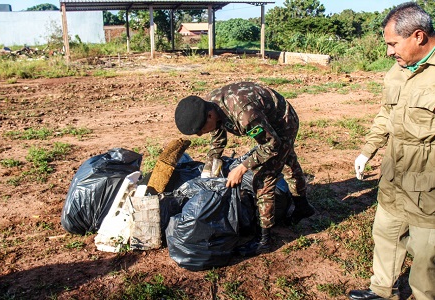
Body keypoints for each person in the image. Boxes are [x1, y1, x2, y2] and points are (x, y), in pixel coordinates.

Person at [349, 2, 435, 300]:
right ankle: (381, 290)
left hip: (428, 186)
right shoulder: (397, 71)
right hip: (394, 176)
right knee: (386, 235)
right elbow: (385, 114)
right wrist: (367, 150)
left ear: (419, 36)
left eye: (392, 44)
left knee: (426, 257)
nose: (389, 52)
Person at [174, 81, 315, 256]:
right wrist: (209, 168)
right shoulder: (211, 104)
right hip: (265, 120)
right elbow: (218, 137)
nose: (201, 134)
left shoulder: (245, 114)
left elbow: (272, 145)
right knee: (287, 161)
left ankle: (265, 240)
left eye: (201, 129)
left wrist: (241, 168)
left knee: (263, 178)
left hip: (282, 123)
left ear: (209, 115)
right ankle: (303, 207)